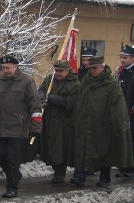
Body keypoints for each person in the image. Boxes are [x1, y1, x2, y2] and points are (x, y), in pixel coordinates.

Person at [0, 54, 43, 198]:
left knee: (12, 157)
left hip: (17, 127)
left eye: (8, 68)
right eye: (3, 68)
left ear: (15, 67)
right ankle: (15, 173)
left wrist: (36, 127)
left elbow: (35, 105)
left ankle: (12, 187)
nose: (5, 70)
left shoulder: (27, 81)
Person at [70, 56, 134, 187]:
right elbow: (79, 100)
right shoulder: (86, 81)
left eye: (94, 68)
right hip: (85, 122)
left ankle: (104, 178)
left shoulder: (111, 84)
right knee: (84, 149)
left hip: (103, 124)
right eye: (90, 68)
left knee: (104, 152)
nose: (92, 71)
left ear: (102, 67)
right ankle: (80, 176)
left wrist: (116, 123)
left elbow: (118, 106)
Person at [37, 60, 80, 183]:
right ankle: (55, 169)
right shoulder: (50, 79)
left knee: (61, 148)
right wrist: (41, 99)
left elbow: (69, 102)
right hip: (49, 119)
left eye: (61, 71)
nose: (58, 73)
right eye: (56, 71)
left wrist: (50, 98)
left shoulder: (74, 84)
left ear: (67, 70)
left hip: (64, 122)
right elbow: (41, 90)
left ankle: (60, 173)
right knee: (49, 146)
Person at [116, 45, 134, 178]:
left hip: (131, 111)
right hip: (123, 109)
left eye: (125, 58)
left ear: (132, 58)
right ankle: (125, 165)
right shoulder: (121, 71)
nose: (122, 60)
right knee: (125, 138)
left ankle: (130, 167)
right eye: (121, 57)